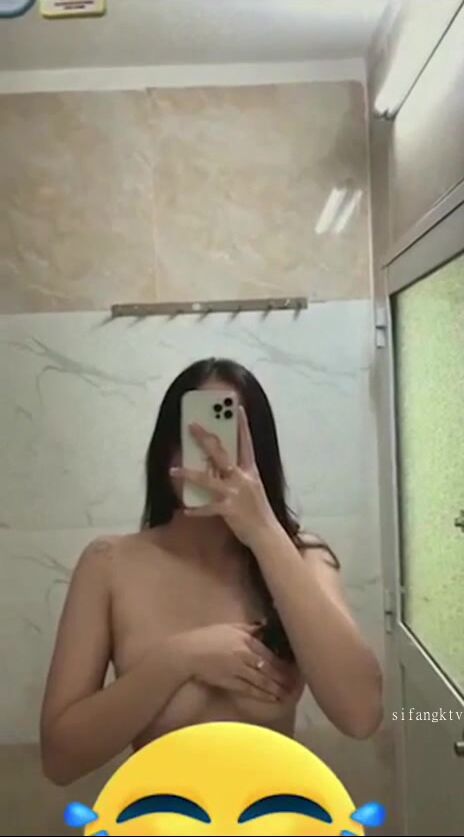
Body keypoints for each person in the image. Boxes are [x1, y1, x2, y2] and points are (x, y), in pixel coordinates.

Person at [41, 358, 383, 786]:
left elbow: (361, 714)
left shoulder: (301, 559)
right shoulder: (109, 564)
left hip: (268, 815)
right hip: (163, 815)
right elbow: (60, 759)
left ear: (259, 454)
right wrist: (182, 658)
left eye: (227, 437)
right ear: (167, 449)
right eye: (195, 435)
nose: (211, 453)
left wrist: (263, 531)